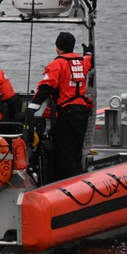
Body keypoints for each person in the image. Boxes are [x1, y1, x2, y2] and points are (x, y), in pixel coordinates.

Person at [28, 32, 94, 182]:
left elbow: (46, 87)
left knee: (65, 153)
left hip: (66, 114)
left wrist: (32, 108)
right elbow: (90, 61)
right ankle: (79, 179)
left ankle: (67, 185)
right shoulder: (82, 61)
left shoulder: (57, 64)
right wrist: (89, 51)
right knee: (77, 151)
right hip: (82, 113)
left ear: (58, 47)